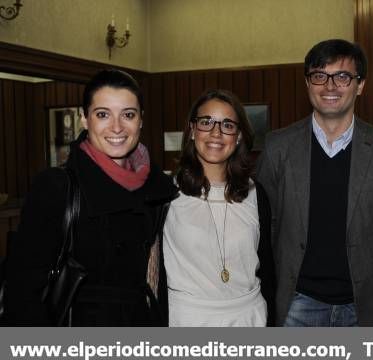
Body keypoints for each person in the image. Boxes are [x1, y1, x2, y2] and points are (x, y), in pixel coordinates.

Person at [256, 39, 373, 326]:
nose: (330, 86)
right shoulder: (278, 147)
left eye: (342, 77)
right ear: (307, 83)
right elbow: (264, 228)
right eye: (319, 76)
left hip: (365, 306)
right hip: (296, 304)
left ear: (360, 85)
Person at [5, 69, 177, 326]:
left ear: (141, 120)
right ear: (84, 118)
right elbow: (22, 291)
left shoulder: (158, 189)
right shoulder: (57, 187)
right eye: (103, 114)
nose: (117, 127)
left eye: (128, 114)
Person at [163, 89, 274, 327]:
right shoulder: (165, 194)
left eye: (227, 125)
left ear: (239, 136)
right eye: (206, 122)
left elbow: (268, 268)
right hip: (187, 320)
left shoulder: (256, 194)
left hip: (248, 318)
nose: (216, 133)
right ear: (192, 130)